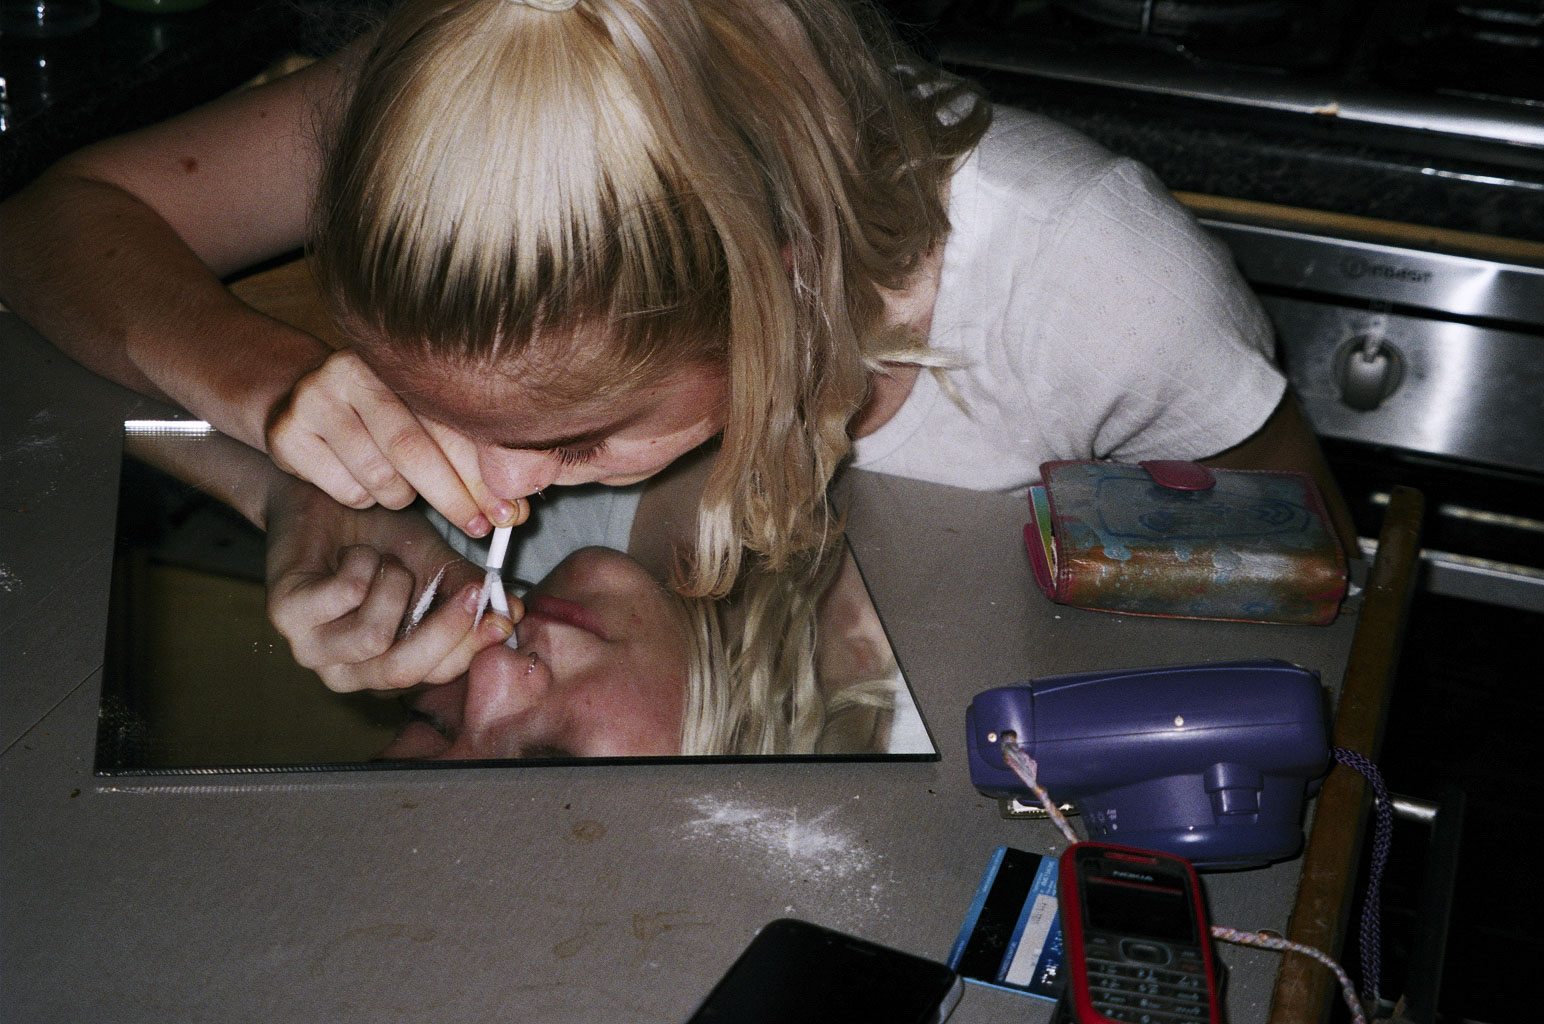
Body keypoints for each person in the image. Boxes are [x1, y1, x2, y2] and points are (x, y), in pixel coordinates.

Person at [0, 0, 1354, 693]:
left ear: (784, 288)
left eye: (578, 440)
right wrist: (282, 417)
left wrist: (985, 622)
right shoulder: (469, 102)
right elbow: (54, 222)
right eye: (428, 400)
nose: (497, 489)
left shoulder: (1090, 283)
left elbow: (1299, 568)